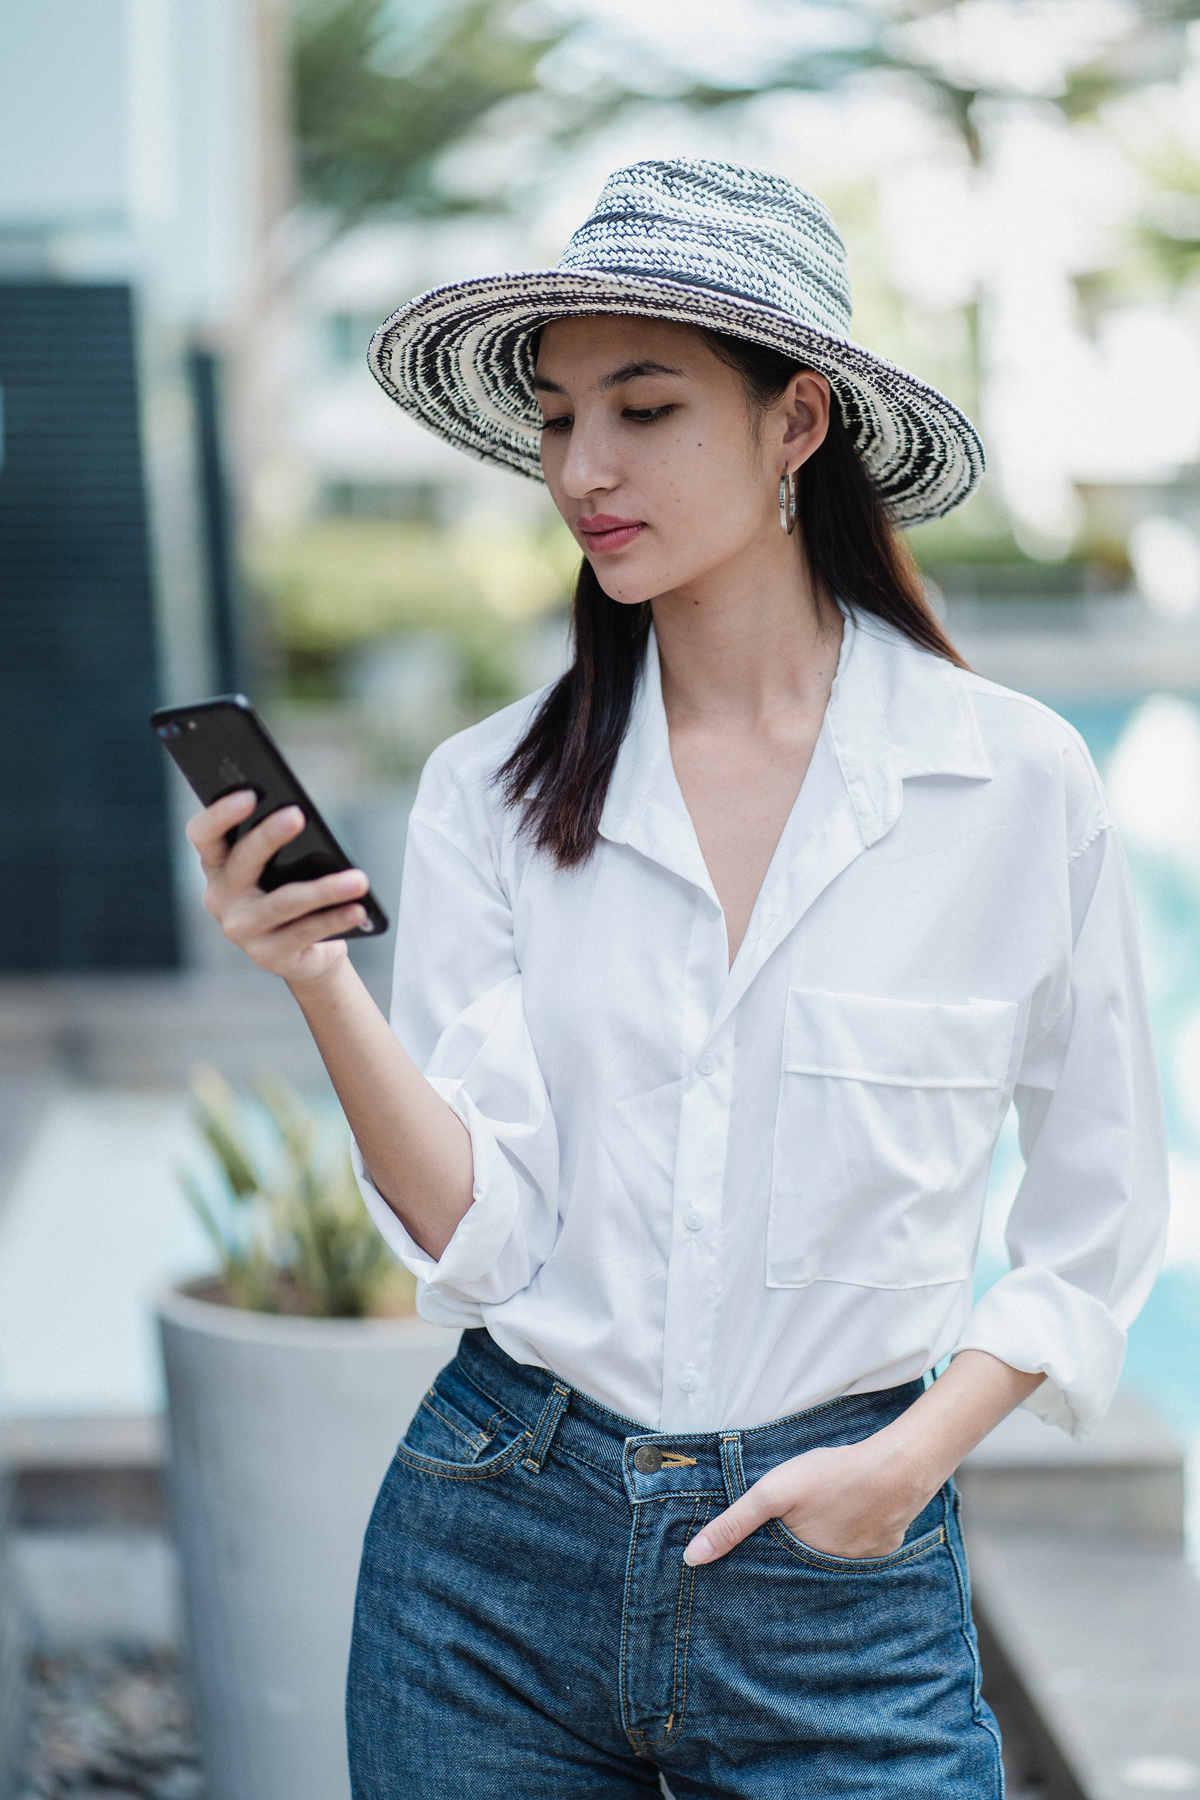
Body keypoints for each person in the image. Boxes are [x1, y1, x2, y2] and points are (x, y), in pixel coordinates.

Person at [186, 160, 1168, 1797]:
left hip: (842, 1581)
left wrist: (903, 1466)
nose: (583, 467)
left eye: (644, 409)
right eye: (560, 419)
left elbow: (1097, 1215)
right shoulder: (491, 789)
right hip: (492, 1551)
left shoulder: (1011, 787)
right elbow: (474, 1231)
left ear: (798, 427)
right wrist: (314, 981)